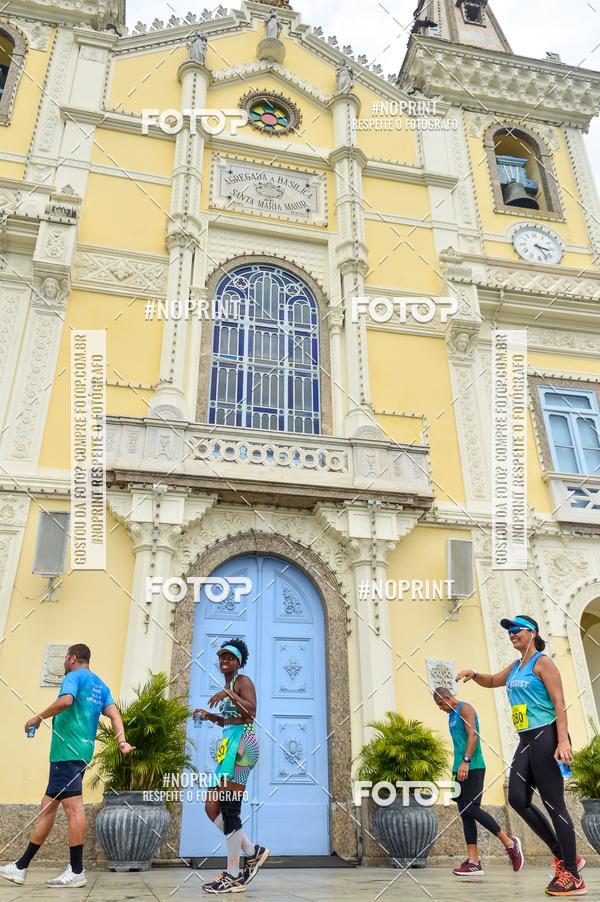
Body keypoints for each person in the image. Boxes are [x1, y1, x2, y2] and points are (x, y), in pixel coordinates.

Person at [458, 615, 587, 897]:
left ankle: (573, 876)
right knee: (517, 798)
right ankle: (566, 857)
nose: (512, 633)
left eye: (517, 629)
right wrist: (475, 674)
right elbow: (493, 680)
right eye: (509, 630)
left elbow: (560, 703)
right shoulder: (517, 666)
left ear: (533, 633)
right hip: (526, 740)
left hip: (547, 736)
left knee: (555, 805)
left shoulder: (543, 662)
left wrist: (563, 741)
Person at [0, 644, 134, 889]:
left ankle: (76, 870)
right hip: (81, 752)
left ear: (73, 658)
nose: (64, 661)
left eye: (65, 657)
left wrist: (37, 717)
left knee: (74, 807)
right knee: (48, 807)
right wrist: (122, 742)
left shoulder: (74, 677)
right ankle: (20, 867)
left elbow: (66, 701)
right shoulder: (99, 684)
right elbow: (114, 715)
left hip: (67, 753)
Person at [194, 638, 269, 894]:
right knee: (211, 805)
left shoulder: (242, 681)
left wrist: (228, 693)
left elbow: (251, 711)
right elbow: (229, 720)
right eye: (222, 657)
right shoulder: (228, 685)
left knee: (229, 809)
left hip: (243, 747)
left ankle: (234, 874)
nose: (224, 661)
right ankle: (251, 851)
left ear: (239, 662)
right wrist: (208, 716)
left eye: (230, 657)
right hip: (230, 744)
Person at [433, 686, 523, 877]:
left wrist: (466, 761)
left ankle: (509, 842)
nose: (441, 708)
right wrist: (458, 767)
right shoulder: (450, 715)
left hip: (472, 766)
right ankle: (473, 862)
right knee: (464, 813)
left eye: (441, 704)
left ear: (448, 697)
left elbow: (473, 735)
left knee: (471, 808)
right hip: (458, 770)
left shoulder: (465, 708)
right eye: (438, 706)